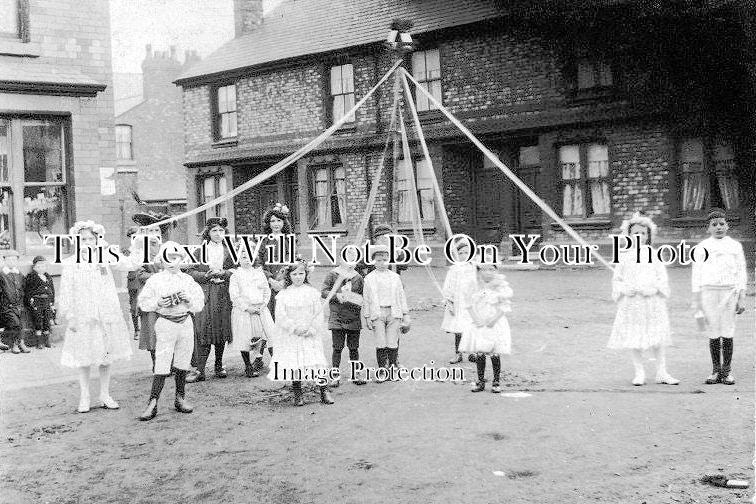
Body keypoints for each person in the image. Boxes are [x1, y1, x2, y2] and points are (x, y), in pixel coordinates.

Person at [58, 220, 141, 413]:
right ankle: (84, 395)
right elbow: (66, 291)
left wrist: (138, 242)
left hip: (106, 315)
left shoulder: (105, 258)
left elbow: (131, 264)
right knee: (84, 357)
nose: (87, 242)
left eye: (91, 239)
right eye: (83, 239)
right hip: (83, 317)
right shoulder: (71, 263)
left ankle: (104, 393)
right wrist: (70, 315)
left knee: (105, 356)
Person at [607, 212, 678, 386]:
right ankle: (639, 372)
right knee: (635, 336)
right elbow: (617, 279)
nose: (639, 236)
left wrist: (654, 288)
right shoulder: (623, 256)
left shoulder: (654, 255)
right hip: (633, 303)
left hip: (652, 302)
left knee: (657, 337)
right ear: (629, 236)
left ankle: (662, 372)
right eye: (635, 233)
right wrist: (625, 289)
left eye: (643, 234)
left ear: (648, 236)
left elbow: (662, 278)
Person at [137, 241, 205, 421]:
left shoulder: (187, 280)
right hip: (166, 322)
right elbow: (143, 302)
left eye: (176, 257)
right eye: (168, 258)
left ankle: (180, 398)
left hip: (185, 322)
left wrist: (187, 299)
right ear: (162, 260)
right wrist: (158, 303)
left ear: (181, 259)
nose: (172, 262)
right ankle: (152, 402)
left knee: (183, 361)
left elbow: (198, 305)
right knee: (162, 362)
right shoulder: (155, 280)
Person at [267, 258, 334, 406]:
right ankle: (298, 393)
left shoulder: (311, 292)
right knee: (295, 362)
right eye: (295, 274)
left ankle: (324, 391)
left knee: (316, 361)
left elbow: (318, 313)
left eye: (301, 273)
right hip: (293, 334)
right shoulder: (284, 294)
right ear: (289, 276)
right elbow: (281, 316)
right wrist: (295, 328)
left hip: (310, 333)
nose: (298, 277)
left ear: (306, 274)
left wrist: (311, 329)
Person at [692, 208, 747, 385]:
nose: (718, 228)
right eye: (714, 225)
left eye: (722, 224)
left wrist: (741, 297)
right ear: (708, 228)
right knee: (714, 330)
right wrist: (697, 299)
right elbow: (696, 274)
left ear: (727, 225)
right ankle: (716, 370)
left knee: (728, 330)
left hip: (729, 292)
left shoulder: (735, 246)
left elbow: (741, 273)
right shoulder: (702, 248)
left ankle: (727, 371)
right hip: (709, 292)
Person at [186, 217, 234, 382]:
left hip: (224, 293)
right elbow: (190, 272)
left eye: (221, 231)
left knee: (221, 329)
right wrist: (206, 275)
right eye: (214, 231)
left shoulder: (230, 250)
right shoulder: (199, 251)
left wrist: (224, 273)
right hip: (206, 294)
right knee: (204, 329)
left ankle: (219, 365)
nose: (218, 234)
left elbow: (237, 269)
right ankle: (200, 370)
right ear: (208, 233)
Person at [459, 261, 513, 393]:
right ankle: (481, 380)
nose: (488, 272)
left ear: (496, 271)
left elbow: (504, 306)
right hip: (479, 322)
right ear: (478, 271)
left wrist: (494, 319)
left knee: (494, 352)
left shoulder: (500, 286)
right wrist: (475, 318)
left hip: (494, 322)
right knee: (480, 352)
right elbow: (468, 304)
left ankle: (496, 381)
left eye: (491, 269)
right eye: (484, 269)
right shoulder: (474, 286)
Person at [362, 246, 410, 382]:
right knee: (381, 342)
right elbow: (366, 299)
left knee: (392, 342)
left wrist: (405, 314)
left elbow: (401, 297)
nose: (382, 263)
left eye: (385, 260)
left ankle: (393, 369)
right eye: (379, 260)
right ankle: (382, 370)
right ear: (373, 261)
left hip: (393, 312)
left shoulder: (395, 277)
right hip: (377, 313)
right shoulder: (369, 279)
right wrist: (367, 317)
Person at [321, 249, 366, 387]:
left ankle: (355, 374)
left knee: (354, 348)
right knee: (337, 347)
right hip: (337, 317)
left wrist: (355, 298)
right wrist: (337, 296)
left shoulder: (358, 277)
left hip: (353, 317)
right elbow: (324, 291)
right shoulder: (333, 274)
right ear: (340, 258)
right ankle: (335, 375)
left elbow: (363, 296)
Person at [257, 202, 295, 361]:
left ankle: (282, 355)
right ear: (268, 224)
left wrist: (284, 281)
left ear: (283, 222)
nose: (276, 224)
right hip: (268, 286)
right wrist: (270, 279)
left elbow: (294, 264)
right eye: (272, 221)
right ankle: (258, 356)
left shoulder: (289, 241)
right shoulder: (264, 241)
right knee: (266, 320)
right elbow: (258, 263)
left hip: (284, 286)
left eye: (279, 221)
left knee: (283, 319)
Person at [229, 247, 274, 378]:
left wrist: (264, 304)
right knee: (246, 338)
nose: (247, 260)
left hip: (260, 309)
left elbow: (267, 290)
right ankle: (248, 366)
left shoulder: (259, 273)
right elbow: (234, 296)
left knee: (269, 335)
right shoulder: (236, 275)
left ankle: (277, 364)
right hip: (245, 311)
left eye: (249, 257)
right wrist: (247, 308)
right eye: (243, 257)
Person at [441, 239, 477, 364]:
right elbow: (448, 287)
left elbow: (478, 285)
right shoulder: (454, 269)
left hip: (471, 303)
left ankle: (472, 353)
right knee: (459, 330)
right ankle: (458, 353)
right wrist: (449, 302)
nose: (464, 256)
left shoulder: (474, 268)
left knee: (471, 328)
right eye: (461, 253)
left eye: (467, 253)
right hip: (458, 303)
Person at [0, 249, 30, 353]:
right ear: (4, 260)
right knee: (14, 323)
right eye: (9, 260)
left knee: (22, 324)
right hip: (7, 306)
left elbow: (23, 289)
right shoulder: (2, 274)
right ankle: (14, 344)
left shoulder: (19, 274)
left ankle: (21, 343)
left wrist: (23, 302)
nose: (12, 262)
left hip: (19, 305)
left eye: (14, 260)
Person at [25, 256, 55, 349]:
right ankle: (39, 342)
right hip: (36, 301)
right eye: (38, 266)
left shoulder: (48, 277)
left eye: (43, 266)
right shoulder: (31, 277)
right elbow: (28, 290)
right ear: (34, 267)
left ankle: (47, 341)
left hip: (46, 301)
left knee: (47, 320)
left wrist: (52, 302)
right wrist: (30, 300)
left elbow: (52, 290)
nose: (41, 268)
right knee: (38, 320)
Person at [124, 225, 142, 340]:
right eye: (133, 237)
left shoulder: (146, 248)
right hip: (133, 280)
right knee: (134, 305)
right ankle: (137, 330)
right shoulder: (128, 251)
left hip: (144, 279)